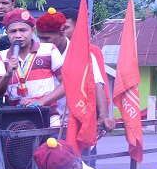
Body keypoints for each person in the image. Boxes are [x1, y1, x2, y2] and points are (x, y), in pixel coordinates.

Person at [35, 8, 115, 136]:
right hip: (45, 121)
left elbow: (97, 85)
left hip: (74, 122)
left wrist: (104, 115)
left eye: (46, 39)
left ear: (61, 35)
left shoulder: (82, 54)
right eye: (40, 39)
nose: (42, 43)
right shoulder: (38, 52)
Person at [0, 9, 65, 126]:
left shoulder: (49, 49)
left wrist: (40, 102)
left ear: (32, 31)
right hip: (17, 122)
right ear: (7, 34)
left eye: (23, 30)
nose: (18, 35)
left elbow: (67, 84)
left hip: (48, 119)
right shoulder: (3, 55)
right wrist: (8, 74)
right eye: (13, 31)